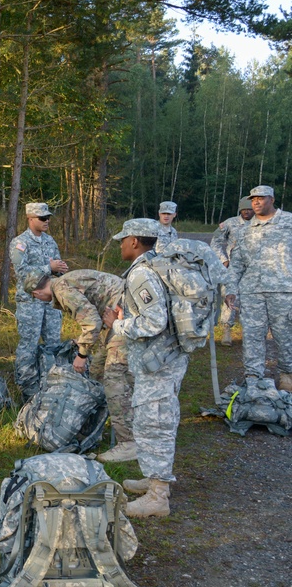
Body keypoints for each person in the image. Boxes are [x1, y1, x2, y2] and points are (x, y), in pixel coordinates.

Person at [102, 218, 191, 518]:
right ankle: (154, 480)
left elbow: (154, 322)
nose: (120, 244)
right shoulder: (155, 266)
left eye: (123, 240)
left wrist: (118, 324)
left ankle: (158, 497)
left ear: (135, 242)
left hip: (159, 363)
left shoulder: (141, 274)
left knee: (155, 424)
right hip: (164, 359)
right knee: (152, 422)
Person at [23, 268, 135, 462]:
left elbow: (91, 322)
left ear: (37, 293)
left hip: (125, 313)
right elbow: (95, 315)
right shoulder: (64, 282)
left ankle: (129, 442)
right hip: (119, 313)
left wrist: (82, 354)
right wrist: (84, 340)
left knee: (114, 376)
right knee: (97, 372)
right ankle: (95, 427)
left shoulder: (61, 289)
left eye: (36, 297)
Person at [227, 185, 292, 392]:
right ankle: (253, 376)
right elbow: (236, 263)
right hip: (251, 292)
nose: (255, 202)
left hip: (284, 291)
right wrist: (230, 289)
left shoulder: (288, 222)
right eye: (253, 199)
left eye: (260, 198)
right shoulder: (245, 230)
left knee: (285, 336)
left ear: (272, 199)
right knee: (253, 336)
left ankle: (286, 374)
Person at [9, 202, 68, 392]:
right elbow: (22, 272)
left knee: (53, 343)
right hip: (30, 302)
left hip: (50, 302)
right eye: (43, 218)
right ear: (30, 218)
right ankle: (26, 387)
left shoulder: (50, 242)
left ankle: (50, 384)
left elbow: (56, 265)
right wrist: (47, 268)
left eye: (48, 217)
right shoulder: (20, 243)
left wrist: (60, 270)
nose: (47, 221)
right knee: (29, 345)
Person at [210, 197, 253, 345]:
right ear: (240, 209)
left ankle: (249, 332)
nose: (247, 211)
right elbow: (215, 242)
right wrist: (223, 259)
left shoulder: (260, 224)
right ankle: (227, 329)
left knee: (251, 301)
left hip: (253, 269)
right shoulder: (230, 223)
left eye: (250, 209)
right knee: (230, 296)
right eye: (244, 209)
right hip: (233, 268)